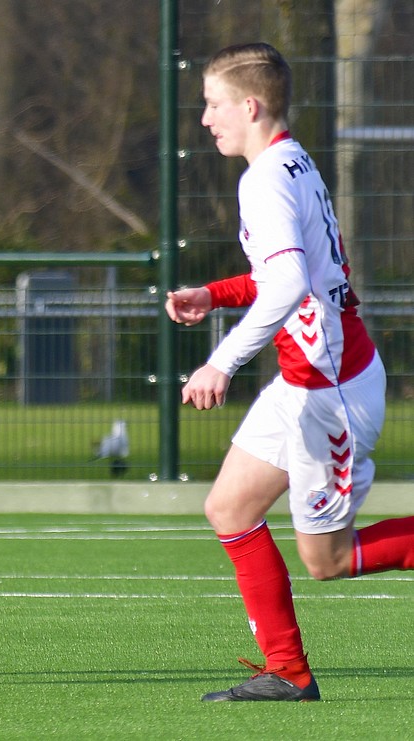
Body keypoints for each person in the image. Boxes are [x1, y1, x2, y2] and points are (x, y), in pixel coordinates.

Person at [166, 42, 414, 702]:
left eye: (213, 104)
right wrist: (213, 294)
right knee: (229, 507)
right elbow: (287, 273)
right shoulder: (292, 159)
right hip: (306, 383)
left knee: (327, 560)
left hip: (328, 395)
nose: (205, 119)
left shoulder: (267, 178)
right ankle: (288, 671)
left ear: (249, 105)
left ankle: (290, 671)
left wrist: (220, 360)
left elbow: (289, 281)